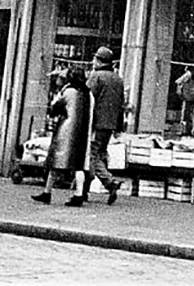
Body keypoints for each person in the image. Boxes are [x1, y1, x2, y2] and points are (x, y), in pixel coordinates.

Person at [33, 66, 90, 206]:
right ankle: (79, 194)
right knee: (78, 165)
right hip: (82, 131)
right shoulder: (87, 93)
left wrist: (57, 98)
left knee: (55, 162)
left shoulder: (68, 91)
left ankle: (47, 192)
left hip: (66, 131)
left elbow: (55, 108)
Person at [85, 45, 127, 205]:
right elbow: (121, 104)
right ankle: (83, 190)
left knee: (91, 155)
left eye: (95, 58)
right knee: (100, 154)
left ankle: (110, 182)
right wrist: (118, 126)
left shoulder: (96, 77)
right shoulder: (118, 79)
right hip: (110, 125)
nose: (92, 61)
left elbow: (87, 99)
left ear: (99, 61)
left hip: (96, 123)